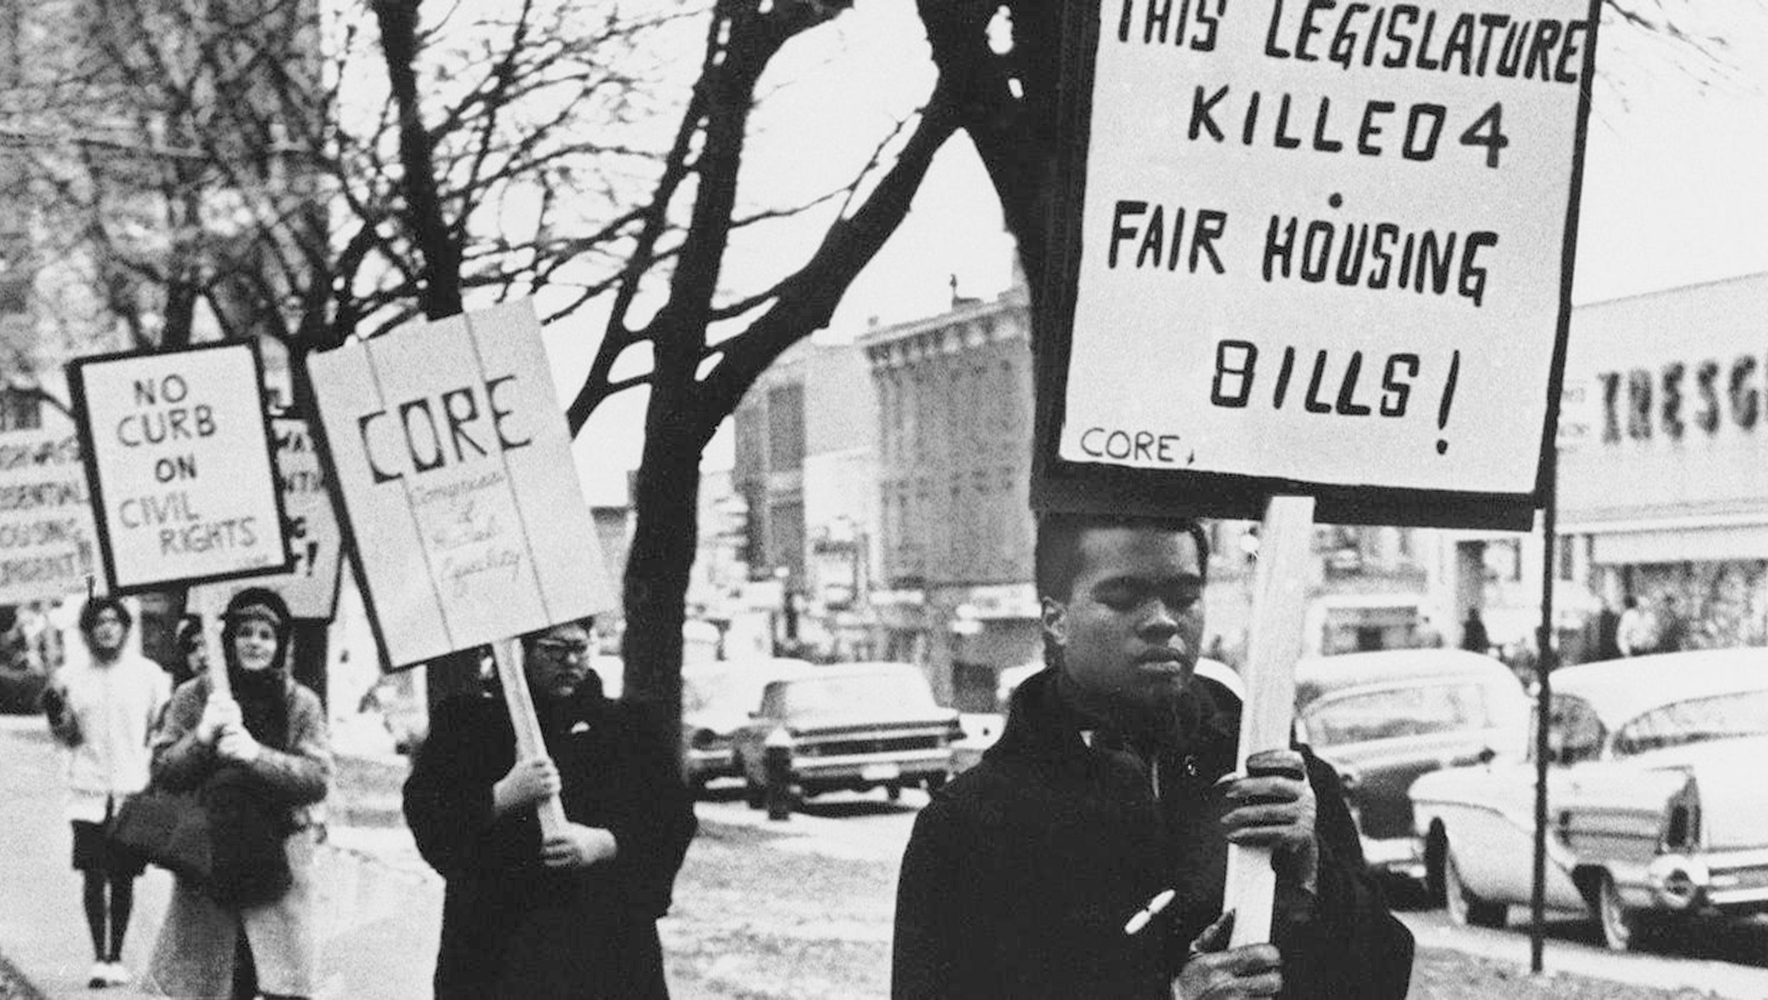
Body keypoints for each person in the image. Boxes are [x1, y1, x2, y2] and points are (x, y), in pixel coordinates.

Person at [893, 512, 1413, 999]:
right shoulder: (970, 823)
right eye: (1123, 597)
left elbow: (1384, 980)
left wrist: (1314, 875)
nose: (1163, 621)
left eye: (1185, 597)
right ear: (1056, 620)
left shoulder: (1277, 773)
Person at [403, 618, 699, 999]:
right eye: (555, 651)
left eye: (580, 648)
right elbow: (429, 814)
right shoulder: (468, 724)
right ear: (519, 651)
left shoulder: (626, 727)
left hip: (604, 944)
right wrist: (502, 796)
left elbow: (670, 817)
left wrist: (605, 843)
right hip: (499, 943)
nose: (571, 662)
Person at [144, 588, 331, 1000]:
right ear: (228, 639)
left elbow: (317, 777)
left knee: (278, 980)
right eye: (245, 631)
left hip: (276, 860)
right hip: (209, 856)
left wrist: (256, 755)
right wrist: (203, 735)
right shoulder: (194, 697)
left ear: (280, 644)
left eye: (266, 634)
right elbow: (163, 772)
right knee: (214, 982)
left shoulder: (299, 702)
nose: (254, 642)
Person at [42, 597, 172, 989]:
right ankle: (99, 956)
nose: (107, 629)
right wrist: (56, 713)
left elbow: (158, 729)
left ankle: (117, 955)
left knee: (124, 876)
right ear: (87, 631)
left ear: (126, 629)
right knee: (93, 873)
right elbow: (66, 736)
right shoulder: (69, 676)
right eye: (99, 622)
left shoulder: (148, 675)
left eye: (114, 621)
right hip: (87, 788)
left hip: (132, 788)